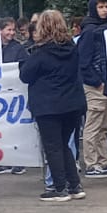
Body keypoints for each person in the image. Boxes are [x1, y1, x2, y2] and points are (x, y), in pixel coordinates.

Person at [18, 11, 86, 201]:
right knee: (64, 144)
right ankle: (74, 185)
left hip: (49, 105)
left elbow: (25, 75)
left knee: (53, 147)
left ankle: (59, 187)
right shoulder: (72, 49)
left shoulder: (41, 53)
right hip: (72, 103)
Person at [78, 0, 107, 178]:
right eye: (100, 7)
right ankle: (91, 162)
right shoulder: (89, 31)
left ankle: (103, 160)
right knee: (93, 125)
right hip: (95, 85)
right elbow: (83, 62)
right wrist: (97, 82)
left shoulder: (106, 29)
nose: (104, 10)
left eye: (106, 7)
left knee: (104, 126)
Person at [0, 18, 30, 176]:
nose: (12, 33)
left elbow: (24, 67)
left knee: (15, 128)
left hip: (14, 94)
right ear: (0, 31)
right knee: (0, 128)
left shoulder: (18, 48)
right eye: (8, 29)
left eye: (13, 30)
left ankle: (18, 162)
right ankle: (5, 161)